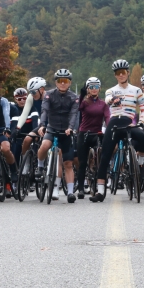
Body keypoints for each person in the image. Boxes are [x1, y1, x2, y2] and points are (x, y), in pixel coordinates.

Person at [91, 59, 144, 202]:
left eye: (123, 72)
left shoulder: (136, 90)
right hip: (114, 123)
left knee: (142, 136)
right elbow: (108, 99)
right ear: (115, 75)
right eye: (118, 73)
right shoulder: (111, 90)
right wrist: (112, 100)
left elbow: (143, 108)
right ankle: (100, 191)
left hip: (129, 122)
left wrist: (141, 122)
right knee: (105, 155)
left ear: (128, 73)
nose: (121, 75)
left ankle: (140, 164)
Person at [36, 69, 79, 203]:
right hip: (52, 128)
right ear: (56, 82)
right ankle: (40, 166)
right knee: (45, 145)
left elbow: (73, 114)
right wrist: (42, 125)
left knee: (67, 163)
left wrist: (70, 128)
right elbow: (44, 110)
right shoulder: (48, 95)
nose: (62, 83)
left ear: (69, 83)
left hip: (66, 131)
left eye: (65, 81)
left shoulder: (74, 97)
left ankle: (70, 192)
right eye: (60, 81)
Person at [75, 77, 110, 198]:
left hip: (97, 133)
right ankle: (80, 188)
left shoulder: (103, 104)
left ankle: (97, 183)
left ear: (99, 89)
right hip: (84, 134)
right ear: (88, 89)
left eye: (96, 87)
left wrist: (109, 128)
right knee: (82, 162)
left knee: (99, 158)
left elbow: (107, 117)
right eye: (91, 87)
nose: (94, 89)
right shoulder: (85, 102)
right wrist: (82, 94)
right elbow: (77, 107)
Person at [15, 77, 46, 160]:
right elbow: (24, 114)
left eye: (33, 92)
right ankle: (26, 161)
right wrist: (18, 127)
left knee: (45, 143)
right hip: (42, 125)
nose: (32, 94)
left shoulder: (49, 97)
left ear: (42, 89)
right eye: (30, 91)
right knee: (27, 139)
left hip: (53, 124)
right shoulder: (31, 97)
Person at [10, 87, 28, 164]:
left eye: (24, 98)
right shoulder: (13, 109)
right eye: (19, 99)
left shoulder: (31, 107)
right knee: (16, 151)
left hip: (28, 133)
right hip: (17, 134)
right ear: (15, 99)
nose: (22, 101)